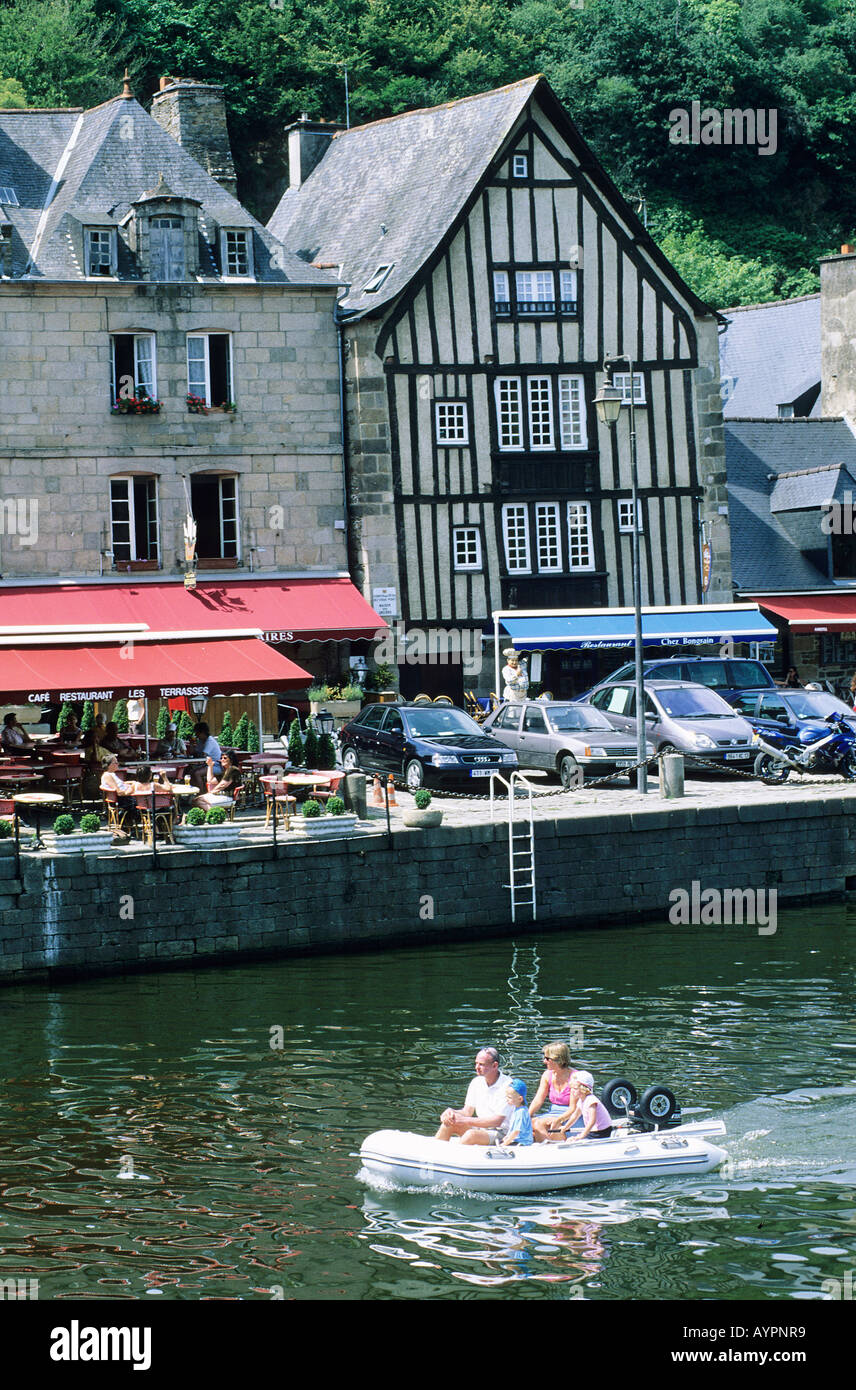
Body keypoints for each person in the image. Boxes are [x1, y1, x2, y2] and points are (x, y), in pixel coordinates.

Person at [435, 1046, 512, 1145]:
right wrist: (451, 1112)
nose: (477, 1068)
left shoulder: (508, 1085)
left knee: (471, 1135)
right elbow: (467, 1112)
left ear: (495, 1065)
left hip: (502, 1133)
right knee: (448, 1124)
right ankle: (434, 1155)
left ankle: (452, 1158)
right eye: (476, 1063)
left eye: (481, 1064)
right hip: (480, 1128)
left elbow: (497, 1121)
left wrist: (464, 1120)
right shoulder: (476, 1082)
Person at [529, 1042, 583, 1142]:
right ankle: (548, 1142)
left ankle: (549, 1147)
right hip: (553, 1112)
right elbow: (538, 1100)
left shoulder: (575, 1077)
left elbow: (573, 1108)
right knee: (530, 1123)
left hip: (570, 1116)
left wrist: (558, 1120)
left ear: (558, 1060)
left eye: (547, 1058)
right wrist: (526, 1115)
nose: (544, 1061)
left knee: (538, 1124)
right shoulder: (547, 1075)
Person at [549, 1071, 613, 1142]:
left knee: (574, 1140)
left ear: (584, 1089)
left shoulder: (591, 1100)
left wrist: (581, 1136)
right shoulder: (581, 1101)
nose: (572, 1091)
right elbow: (575, 1116)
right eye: (571, 1088)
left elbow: (592, 1121)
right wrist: (566, 1127)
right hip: (593, 1131)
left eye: (575, 1088)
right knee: (572, 1139)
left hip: (601, 1132)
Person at [501, 1079, 534, 1146]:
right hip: (515, 1140)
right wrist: (507, 1137)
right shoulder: (516, 1109)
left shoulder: (521, 1112)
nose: (507, 1099)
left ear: (520, 1099)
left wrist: (505, 1144)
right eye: (506, 1096)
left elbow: (516, 1131)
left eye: (509, 1097)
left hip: (523, 1143)